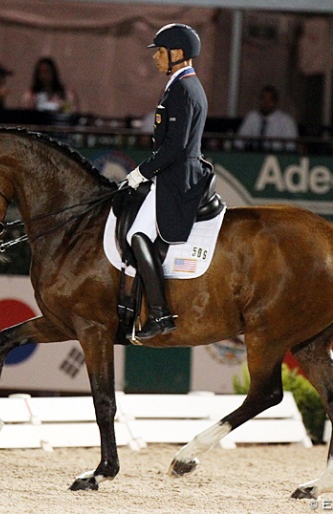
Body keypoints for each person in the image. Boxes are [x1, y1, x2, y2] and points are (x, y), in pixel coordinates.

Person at [124, 23, 213, 340]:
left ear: (177, 54)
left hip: (175, 177)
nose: (156, 58)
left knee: (137, 235)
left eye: (161, 52)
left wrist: (141, 172)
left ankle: (159, 314)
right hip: (172, 173)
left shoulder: (184, 89)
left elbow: (174, 147)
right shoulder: (181, 85)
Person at [237, 85, 298, 151]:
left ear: (275, 102)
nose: (266, 102)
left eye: (270, 99)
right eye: (263, 99)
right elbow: (239, 142)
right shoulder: (252, 117)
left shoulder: (286, 121)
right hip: (253, 155)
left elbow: (291, 146)